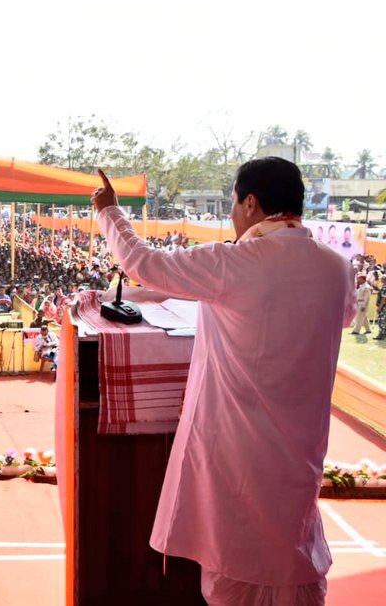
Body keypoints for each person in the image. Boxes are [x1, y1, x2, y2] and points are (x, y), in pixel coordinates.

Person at [91, 157, 355, 606]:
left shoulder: (237, 262)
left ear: (250, 203)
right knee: (295, 563)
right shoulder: (337, 268)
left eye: (233, 203)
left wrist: (108, 210)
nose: (232, 215)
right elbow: (338, 314)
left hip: (240, 458)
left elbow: (141, 261)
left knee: (235, 571)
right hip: (301, 457)